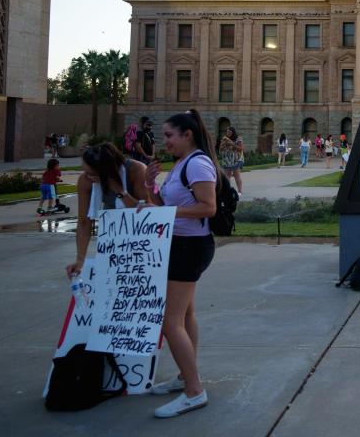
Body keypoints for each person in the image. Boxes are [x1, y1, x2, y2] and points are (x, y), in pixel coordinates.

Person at [138, 110, 221, 415]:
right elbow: (162, 206)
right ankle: (185, 376)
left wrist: (168, 214)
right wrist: (150, 185)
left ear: (188, 135)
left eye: (170, 135)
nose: (165, 141)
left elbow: (208, 207)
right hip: (180, 244)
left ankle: (194, 390)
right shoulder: (181, 165)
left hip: (191, 246)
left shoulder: (198, 163)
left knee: (169, 322)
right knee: (185, 316)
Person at [66, 143, 149, 278]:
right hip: (113, 235)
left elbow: (148, 214)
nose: (87, 176)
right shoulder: (85, 180)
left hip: (141, 238)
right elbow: (84, 222)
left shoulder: (136, 170)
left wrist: (120, 191)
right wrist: (80, 260)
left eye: (91, 173)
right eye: (85, 171)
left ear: (106, 171)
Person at [218, 127, 244, 194]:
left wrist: (231, 143)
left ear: (233, 132)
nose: (228, 133)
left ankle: (240, 191)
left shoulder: (238, 139)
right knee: (227, 177)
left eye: (230, 132)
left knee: (236, 175)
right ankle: (227, 191)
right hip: (227, 160)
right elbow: (220, 150)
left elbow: (240, 149)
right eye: (227, 132)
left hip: (235, 160)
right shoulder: (224, 139)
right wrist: (222, 145)